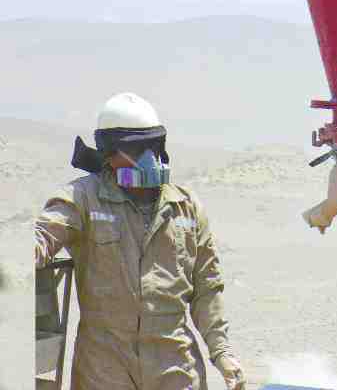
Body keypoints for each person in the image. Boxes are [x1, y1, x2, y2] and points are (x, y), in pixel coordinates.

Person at [34, 92, 246, 390]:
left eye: (153, 145)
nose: (148, 156)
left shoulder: (185, 206)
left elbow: (207, 288)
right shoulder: (82, 199)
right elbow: (38, 239)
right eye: (136, 147)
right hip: (104, 370)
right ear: (109, 153)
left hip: (175, 367)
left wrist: (222, 352)